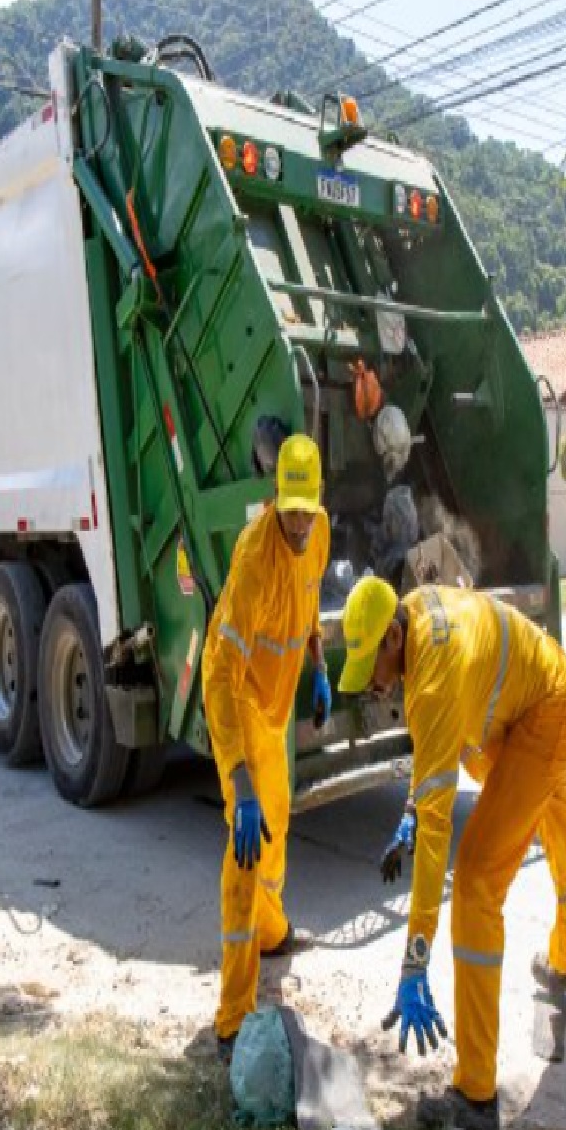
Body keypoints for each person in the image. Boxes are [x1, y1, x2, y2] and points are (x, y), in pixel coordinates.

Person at [338, 578, 566, 1130]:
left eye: (372, 669)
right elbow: (433, 770)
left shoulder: (428, 679)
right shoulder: (410, 612)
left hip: (542, 714)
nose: (374, 687)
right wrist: (413, 807)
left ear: (390, 636)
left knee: (477, 883)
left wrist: (414, 960)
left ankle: (476, 1095)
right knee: (555, 826)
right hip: (544, 687)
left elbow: (438, 839)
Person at [201, 432, 332, 1062]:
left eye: (309, 507)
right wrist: (238, 777)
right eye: (292, 510)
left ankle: (272, 931)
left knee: (280, 820)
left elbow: (308, 605)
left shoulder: (321, 532)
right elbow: (221, 676)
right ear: (276, 499)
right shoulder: (253, 562)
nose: (302, 522)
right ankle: (231, 1015)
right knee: (247, 846)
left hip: (277, 707)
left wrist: (321, 666)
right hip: (240, 700)